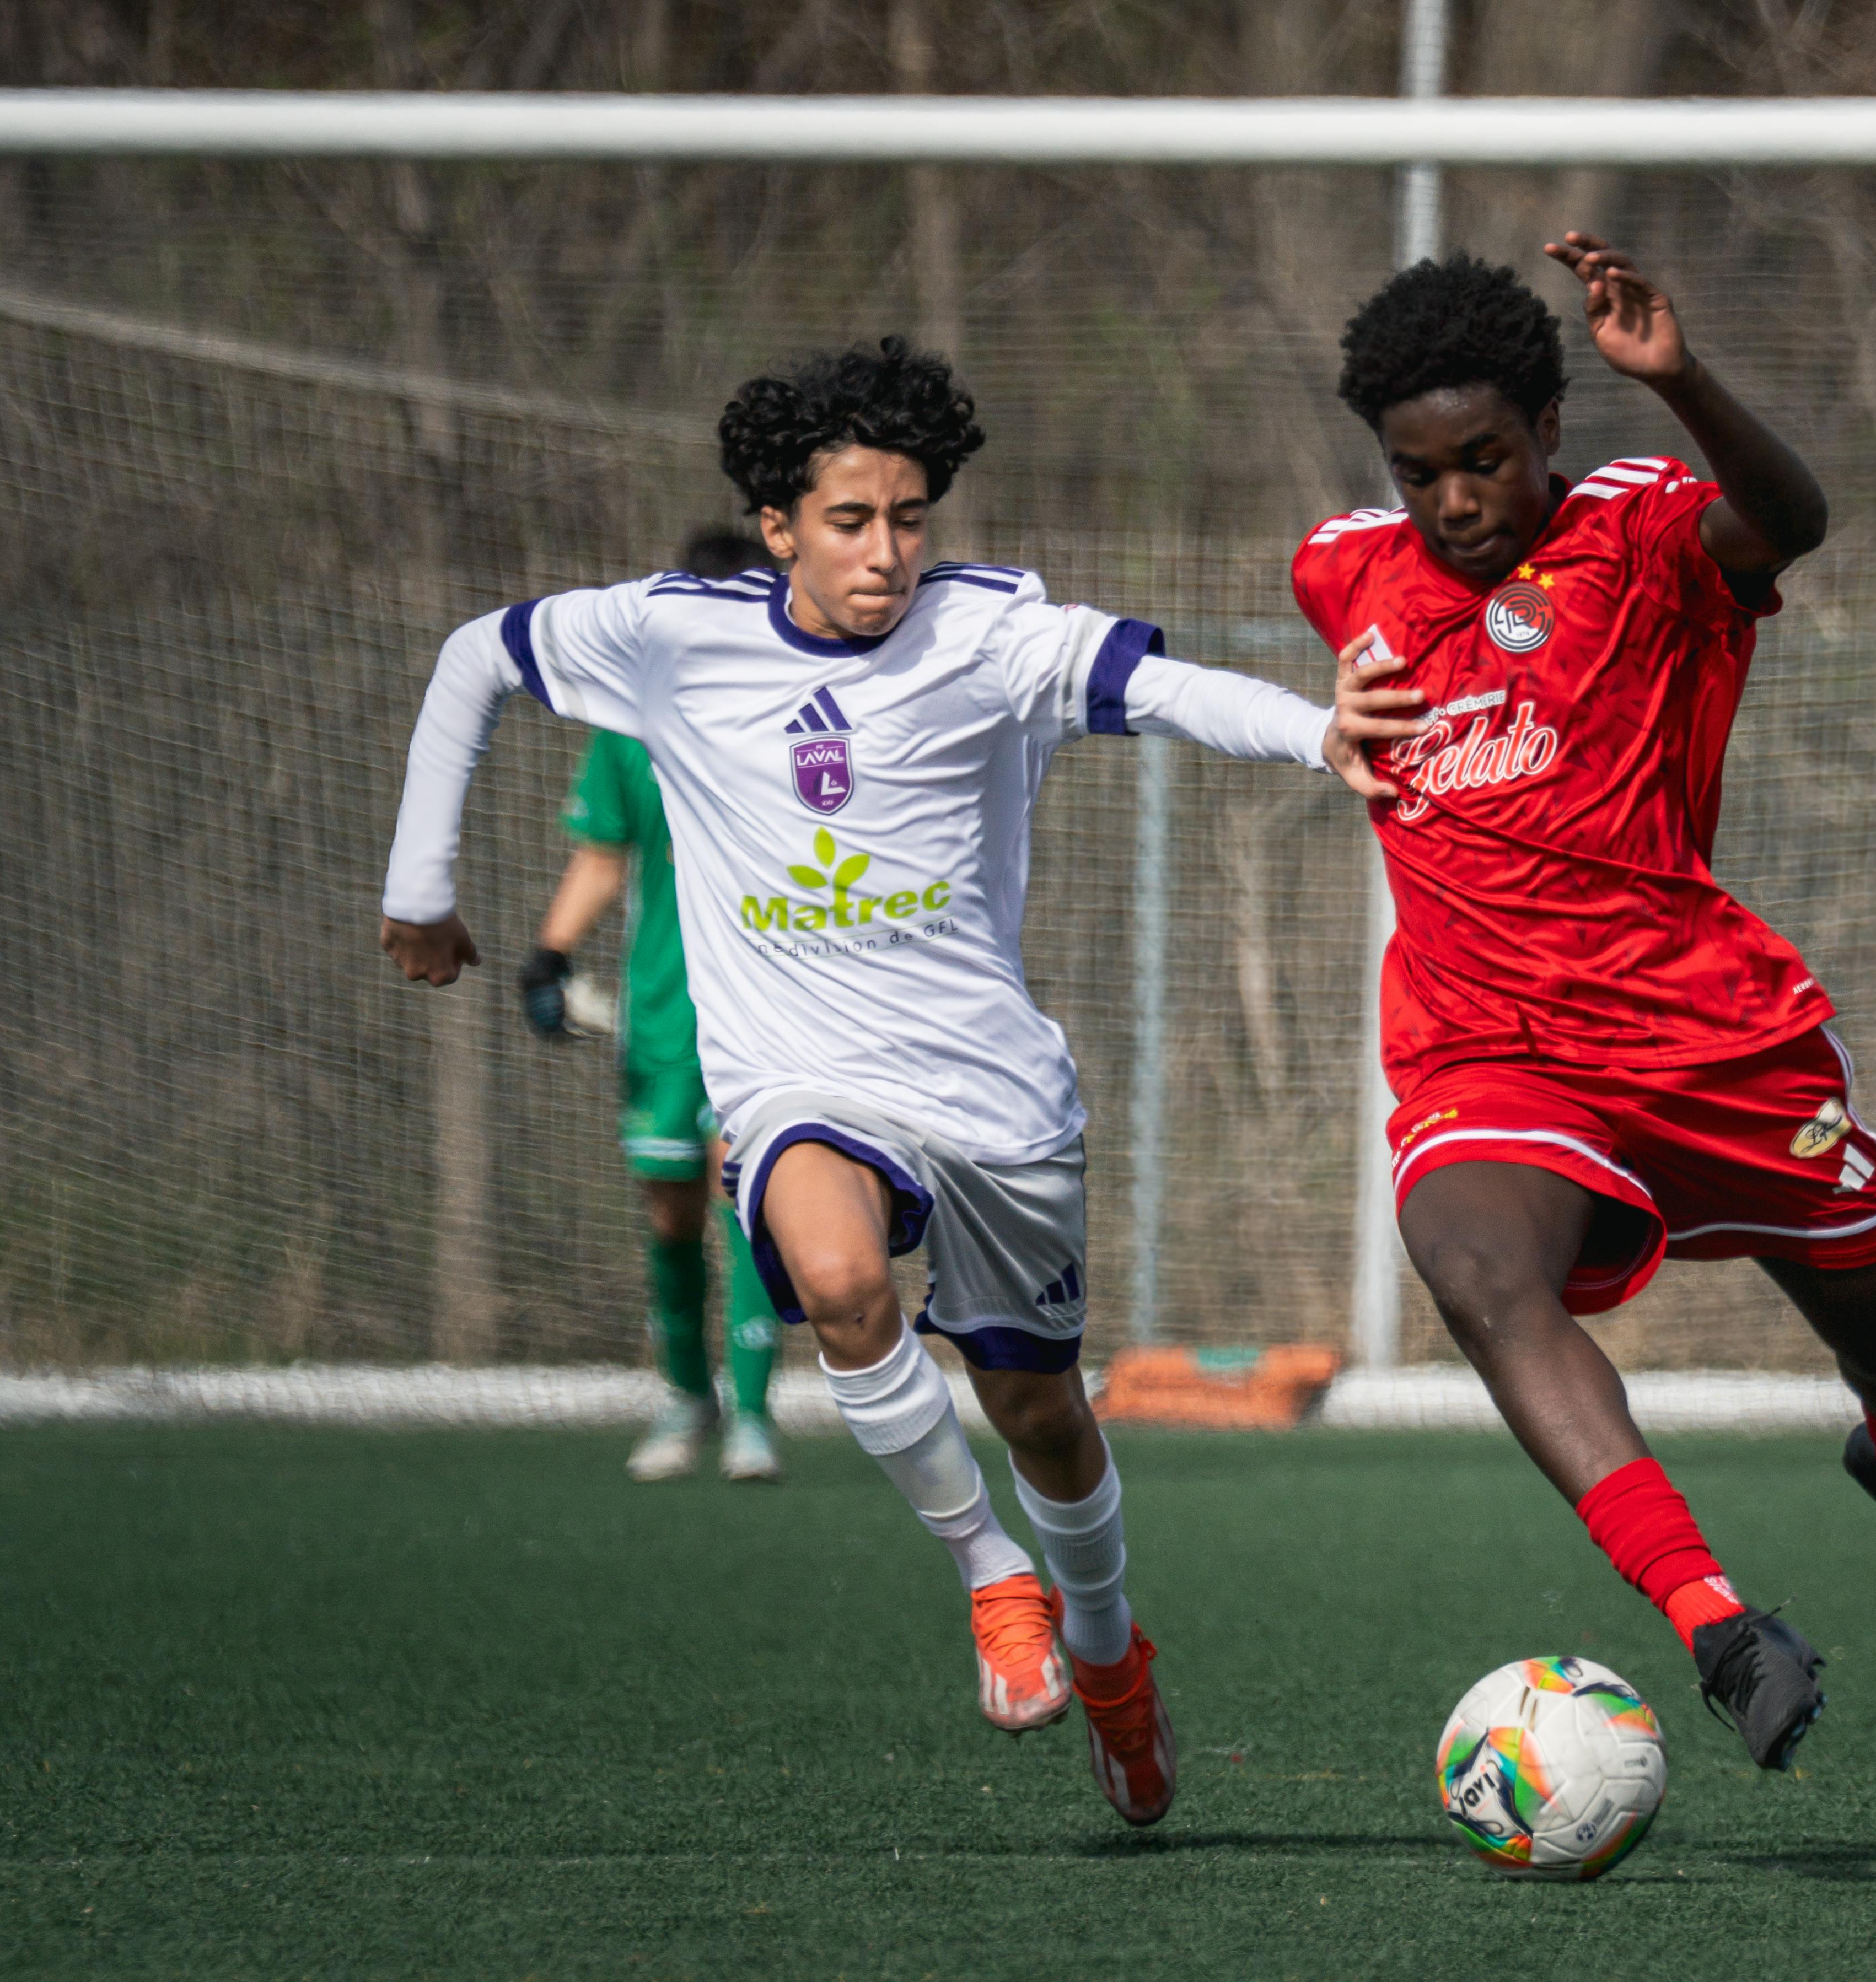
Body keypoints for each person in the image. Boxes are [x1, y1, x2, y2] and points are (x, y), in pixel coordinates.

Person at [380, 338, 1380, 1826]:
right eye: (851, 520)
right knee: (840, 1283)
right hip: (796, 1077)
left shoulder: (989, 631)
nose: (887, 550)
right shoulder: (671, 635)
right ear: (780, 525)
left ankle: (1111, 1659)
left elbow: (1159, 690)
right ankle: (991, 1580)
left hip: (992, 1099)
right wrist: (422, 887)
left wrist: (1317, 731)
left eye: (910, 516)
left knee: (1037, 1403)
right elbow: (475, 653)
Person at [1299, 239, 1876, 1774]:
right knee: (1471, 1269)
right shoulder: (1341, 571)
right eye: (1421, 469)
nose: (1456, 500)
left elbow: (1795, 521)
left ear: (1553, 431)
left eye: (1487, 459)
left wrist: (1684, 381)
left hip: (1709, 1030)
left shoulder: (1642, 539)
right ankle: (1717, 1621)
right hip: (1486, 1044)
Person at [520, 528, 789, 1486]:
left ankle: (756, 1412)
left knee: (747, 1197)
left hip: (769, 1013)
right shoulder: (630, 724)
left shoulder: (802, 718)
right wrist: (549, 955)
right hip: (666, 1015)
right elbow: (604, 857)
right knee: (670, 1209)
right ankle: (687, 1395)